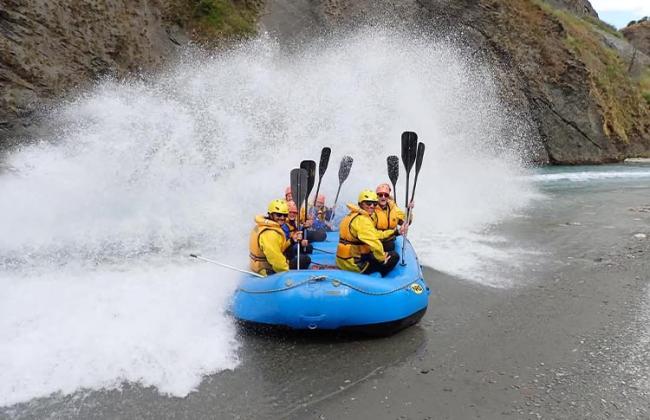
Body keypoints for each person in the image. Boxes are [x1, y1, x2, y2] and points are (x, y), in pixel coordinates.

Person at [336, 190, 399, 276]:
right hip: (355, 265)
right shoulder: (363, 220)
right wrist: (382, 258)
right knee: (394, 256)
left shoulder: (351, 215)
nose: (372, 206)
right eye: (368, 203)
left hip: (342, 261)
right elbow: (375, 243)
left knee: (375, 251)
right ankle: (380, 277)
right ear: (361, 204)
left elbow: (375, 234)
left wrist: (395, 232)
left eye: (374, 204)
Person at [249, 199, 310, 276]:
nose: (282, 218)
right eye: (278, 215)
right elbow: (276, 260)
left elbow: (278, 248)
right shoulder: (270, 234)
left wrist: (291, 240)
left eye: (284, 215)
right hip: (266, 270)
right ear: (270, 214)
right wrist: (288, 272)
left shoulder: (263, 225)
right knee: (305, 260)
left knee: (302, 258)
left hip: (261, 265)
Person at [371, 183, 409, 252]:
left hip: (389, 239)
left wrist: (409, 210)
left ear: (388, 197)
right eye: (380, 195)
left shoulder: (393, 207)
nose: (383, 197)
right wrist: (395, 232)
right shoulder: (371, 209)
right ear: (376, 196)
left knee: (390, 246)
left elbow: (406, 220)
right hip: (376, 241)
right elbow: (372, 233)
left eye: (386, 195)